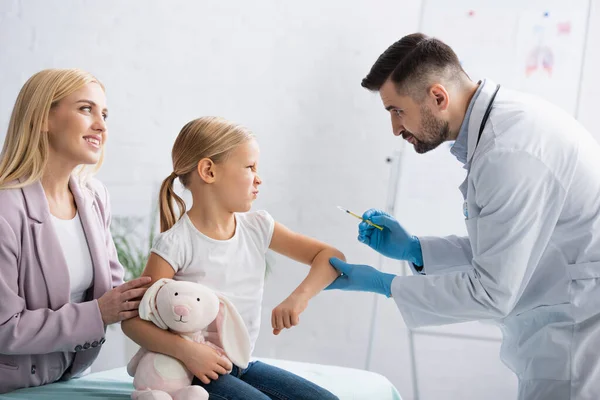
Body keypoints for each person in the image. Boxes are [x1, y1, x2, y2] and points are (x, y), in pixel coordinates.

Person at [325, 33, 600, 400]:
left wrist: (386, 284)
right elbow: (506, 252)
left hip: (578, 337)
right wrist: (416, 250)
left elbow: (492, 291)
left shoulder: (509, 151)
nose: (395, 128)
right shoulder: (500, 133)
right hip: (562, 322)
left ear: (438, 97)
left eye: (397, 111)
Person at [121, 116, 342, 399]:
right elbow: (133, 320)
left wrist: (297, 298)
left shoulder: (258, 227)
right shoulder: (176, 243)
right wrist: (188, 352)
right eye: (250, 167)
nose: (259, 177)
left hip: (243, 365)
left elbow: (331, 256)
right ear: (208, 171)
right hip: (194, 372)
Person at [0, 68, 150, 394]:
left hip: (72, 377)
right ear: (43, 118)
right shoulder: (5, 211)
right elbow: (3, 327)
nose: (101, 125)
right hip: (12, 388)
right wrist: (97, 314)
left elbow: (113, 290)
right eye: (86, 109)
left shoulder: (94, 197)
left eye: (104, 114)